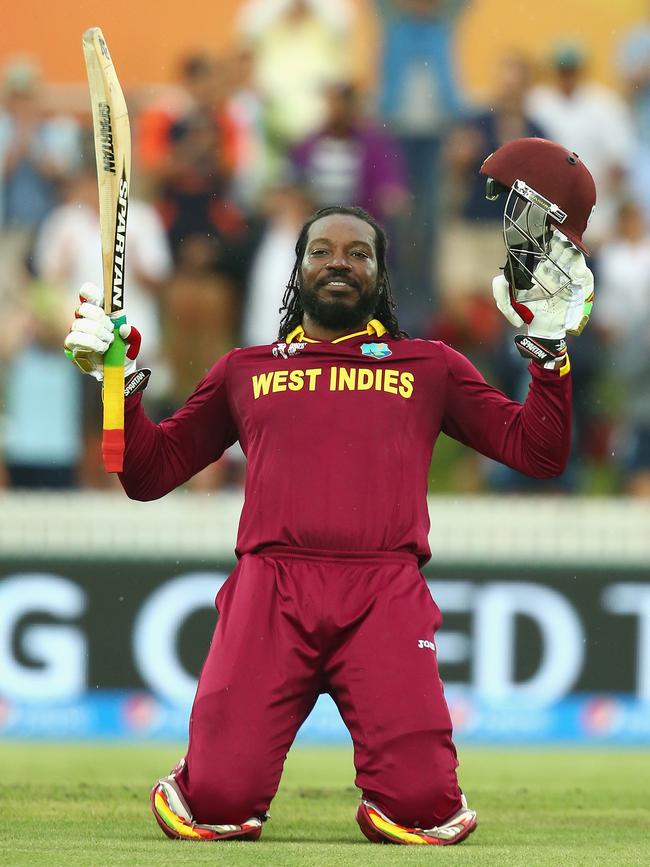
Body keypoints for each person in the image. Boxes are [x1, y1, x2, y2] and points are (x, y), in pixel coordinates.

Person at [63, 138, 595, 845]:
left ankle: (405, 791)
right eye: (321, 251)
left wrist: (551, 359)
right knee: (217, 804)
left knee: (422, 810)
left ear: (380, 276)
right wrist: (117, 390)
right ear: (298, 269)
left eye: (358, 253)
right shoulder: (244, 370)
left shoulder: (429, 365)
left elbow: (539, 452)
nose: (338, 262)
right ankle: (206, 775)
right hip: (269, 590)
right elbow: (149, 473)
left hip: (384, 592)